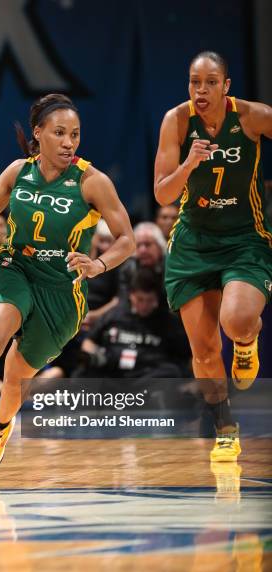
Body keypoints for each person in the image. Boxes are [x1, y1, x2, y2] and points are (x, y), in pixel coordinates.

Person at [0, 93, 135, 473]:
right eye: (60, 133)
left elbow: (126, 240)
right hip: (15, 268)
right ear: (39, 133)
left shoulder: (93, 182)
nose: (69, 142)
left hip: (62, 289)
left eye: (75, 135)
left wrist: (98, 264)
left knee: (16, 375)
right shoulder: (18, 172)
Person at [154, 50, 272, 462]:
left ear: (227, 86)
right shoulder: (177, 121)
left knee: (237, 320)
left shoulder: (254, 117)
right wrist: (188, 164)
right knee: (203, 350)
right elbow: (163, 193)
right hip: (194, 242)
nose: (200, 90)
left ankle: (246, 340)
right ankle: (225, 427)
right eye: (194, 82)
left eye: (210, 82)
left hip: (245, 238)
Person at [80, 268, 191, 379]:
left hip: (151, 376)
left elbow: (187, 356)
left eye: (149, 300)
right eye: (140, 299)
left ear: (157, 299)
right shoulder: (115, 314)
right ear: (131, 295)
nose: (144, 306)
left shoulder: (168, 322)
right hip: (113, 373)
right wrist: (98, 356)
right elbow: (89, 341)